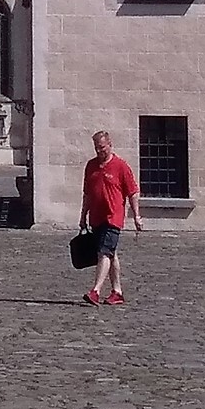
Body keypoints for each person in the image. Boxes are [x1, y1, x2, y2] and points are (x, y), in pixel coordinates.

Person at [78, 129, 143, 305]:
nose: (100, 151)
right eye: (97, 148)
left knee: (104, 252)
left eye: (102, 147)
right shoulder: (91, 166)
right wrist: (83, 216)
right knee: (111, 254)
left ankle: (96, 291)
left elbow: (133, 192)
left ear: (110, 145)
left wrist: (136, 216)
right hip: (96, 218)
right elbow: (88, 194)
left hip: (113, 217)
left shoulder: (120, 166)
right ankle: (117, 292)